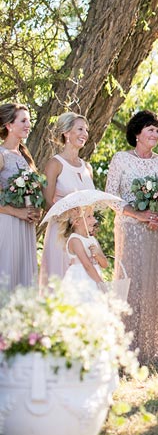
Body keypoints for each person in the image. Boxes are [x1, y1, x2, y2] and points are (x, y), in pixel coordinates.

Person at [105, 110, 158, 362]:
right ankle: (125, 348)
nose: (155, 134)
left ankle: (152, 348)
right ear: (137, 133)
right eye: (150, 129)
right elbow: (111, 196)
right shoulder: (120, 160)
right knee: (129, 282)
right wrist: (138, 215)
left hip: (156, 231)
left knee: (153, 282)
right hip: (130, 229)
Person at [40, 112, 95, 287]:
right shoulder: (54, 164)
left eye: (86, 130)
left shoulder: (87, 167)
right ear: (66, 133)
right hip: (61, 232)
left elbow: (91, 202)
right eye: (80, 129)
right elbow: (47, 201)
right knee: (60, 281)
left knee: (83, 282)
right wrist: (69, 217)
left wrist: (89, 225)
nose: (84, 134)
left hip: (83, 232)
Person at [0, 103, 42, 292]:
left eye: (29, 120)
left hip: (26, 226)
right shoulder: (1, 154)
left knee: (23, 278)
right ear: (9, 125)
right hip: (7, 222)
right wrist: (19, 212)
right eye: (23, 120)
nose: (28, 124)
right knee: (7, 275)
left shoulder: (25, 157)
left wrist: (36, 209)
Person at [61, 206, 108, 301]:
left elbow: (105, 264)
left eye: (93, 216)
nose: (94, 220)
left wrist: (97, 255)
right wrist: (101, 284)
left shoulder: (92, 240)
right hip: (80, 279)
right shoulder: (75, 240)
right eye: (89, 216)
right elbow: (87, 265)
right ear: (77, 222)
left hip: (94, 277)